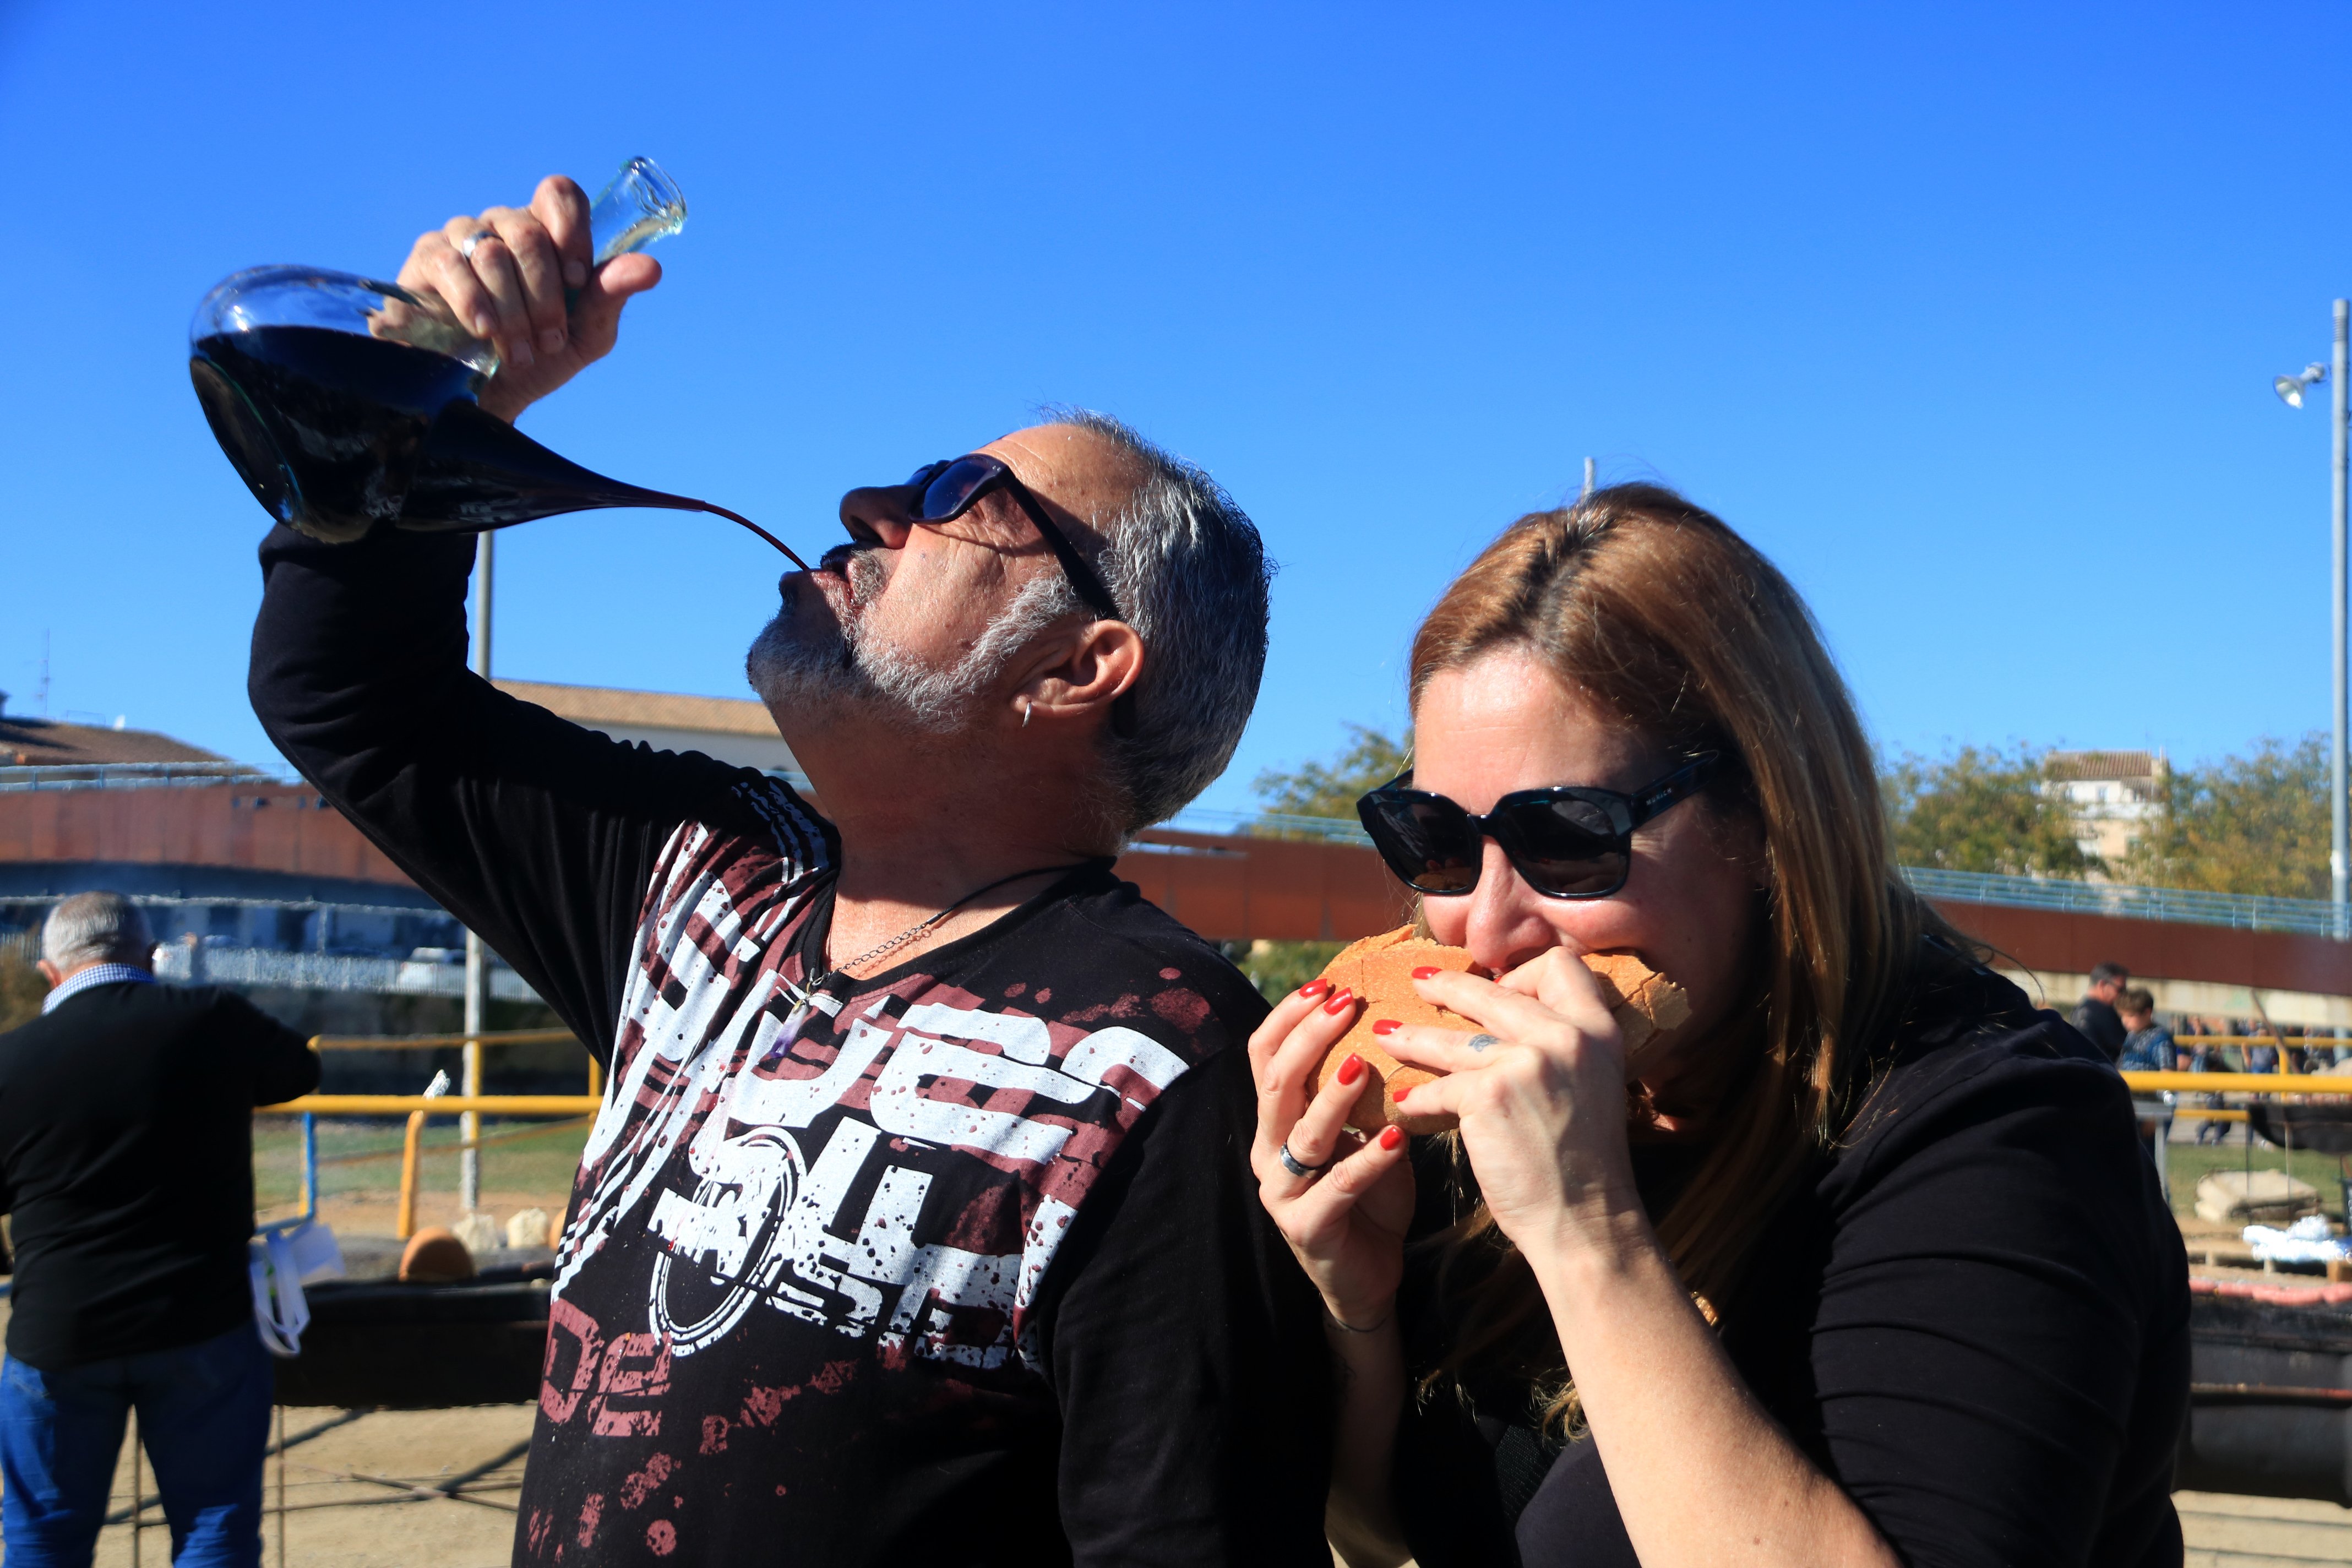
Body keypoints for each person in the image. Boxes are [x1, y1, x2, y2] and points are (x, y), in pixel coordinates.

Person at [247, 174, 1329, 1567]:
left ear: (1079, 666)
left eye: (955, 494)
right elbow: (351, 699)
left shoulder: (1162, 1060)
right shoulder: (709, 872)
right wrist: (435, 405)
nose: (868, 499)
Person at [1248, 485, 2188, 1567]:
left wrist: (1586, 1229)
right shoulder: (1497, 1120)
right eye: (1436, 837)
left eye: (1562, 835)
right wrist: (1356, 1302)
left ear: (1764, 817)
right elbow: (1383, 1535)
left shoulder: (1996, 1127)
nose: (1487, 926)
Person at [0, 891, 320, 1567]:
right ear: (150, 955)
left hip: (59, 1327)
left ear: (51, 973)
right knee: (213, 1527)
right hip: (201, 1320)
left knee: (43, 1537)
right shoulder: (211, 1019)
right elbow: (300, 1069)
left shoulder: (12, 1061)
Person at [2072, 961, 2131, 1062]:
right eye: (2120, 990)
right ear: (2102, 985)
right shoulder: (2104, 1011)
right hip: (2102, 1071)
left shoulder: (2078, 1009)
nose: (2123, 995)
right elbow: (2127, 1046)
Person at [2115, 987, 2173, 1073]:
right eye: (2122, 1016)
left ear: (2147, 1013)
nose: (2125, 1021)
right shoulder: (2131, 1035)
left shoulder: (2160, 1039)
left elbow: (2167, 1073)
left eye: (2130, 1016)